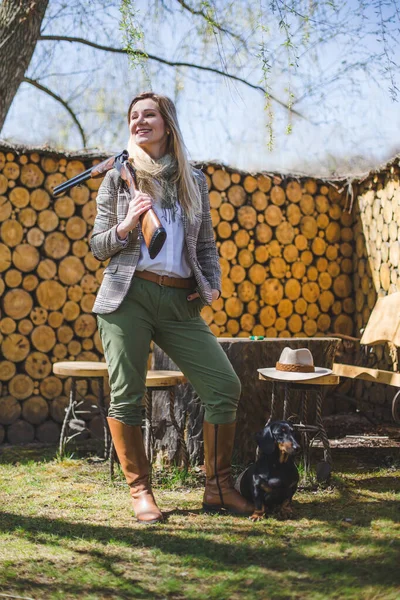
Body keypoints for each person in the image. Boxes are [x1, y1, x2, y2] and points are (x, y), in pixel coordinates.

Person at [90, 91, 253, 524]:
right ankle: (141, 492)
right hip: (129, 297)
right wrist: (126, 225)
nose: (140, 121)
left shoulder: (193, 180)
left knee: (224, 387)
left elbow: (205, 244)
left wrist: (211, 286)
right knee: (128, 397)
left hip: (180, 299)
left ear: (167, 123)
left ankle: (218, 488)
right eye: (134, 116)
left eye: (150, 115)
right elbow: (97, 246)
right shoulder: (118, 177)